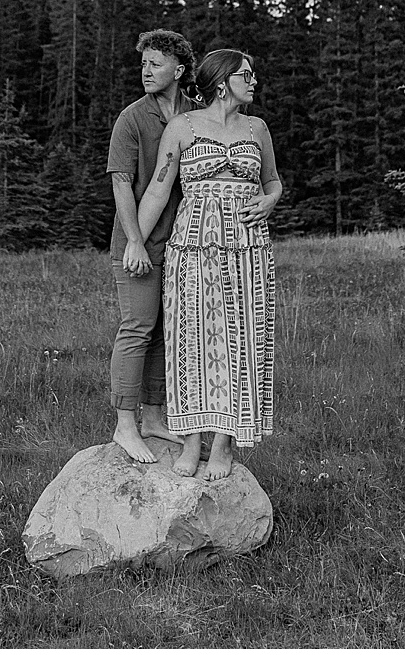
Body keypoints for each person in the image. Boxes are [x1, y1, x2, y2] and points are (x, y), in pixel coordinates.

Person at [136, 48, 281, 480]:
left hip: (248, 249)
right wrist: (135, 244)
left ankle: (223, 444)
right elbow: (159, 191)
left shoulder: (257, 128)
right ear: (222, 82)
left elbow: (272, 181)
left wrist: (270, 200)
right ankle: (192, 439)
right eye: (246, 74)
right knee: (192, 343)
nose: (254, 81)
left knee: (241, 344)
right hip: (193, 248)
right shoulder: (182, 127)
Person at [103, 29, 199, 463]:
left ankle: (155, 418)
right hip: (136, 244)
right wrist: (136, 242)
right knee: (137, 328)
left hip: (181, 244)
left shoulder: (195, 117)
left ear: (178, 70)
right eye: (142, 63)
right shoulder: (132, 118)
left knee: (165, 332)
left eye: (155, 63)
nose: (145, 71)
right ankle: (125, 425)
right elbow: (122, 186)